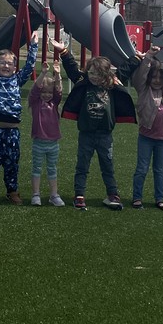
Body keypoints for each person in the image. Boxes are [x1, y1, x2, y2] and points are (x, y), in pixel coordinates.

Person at [56, 40, 136, 211]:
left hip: (105, 135)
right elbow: (72, 68)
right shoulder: (84, 83)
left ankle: (112, 194)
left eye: (98, 74)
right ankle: (79, 195)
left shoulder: (112, 85)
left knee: (107, 166)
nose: (93, 77)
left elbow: (125, 69)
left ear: (106, 75)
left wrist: (138, 58)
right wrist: (63, 51)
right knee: (82, 166)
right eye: (91, 73)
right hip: (86, 134)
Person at [0, 22, 38, 205]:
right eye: (2, 62)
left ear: (14, 68)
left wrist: (34, 46)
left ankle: (12, 191)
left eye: (10, 63)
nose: (6, 65)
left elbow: (29, 66)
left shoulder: (17, 79)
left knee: (11, 161)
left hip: (11, 131)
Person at [131, 44, 163, 210]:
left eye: (160, 77)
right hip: (146, 137)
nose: (157, 81)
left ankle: (159, 199)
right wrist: (148, 57)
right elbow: (140, 76)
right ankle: (137, 198)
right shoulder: (143, 89)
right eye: (154, 77)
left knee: (160, 170)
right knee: (142, 169)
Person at [28, 61, 65, 206]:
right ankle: (35, 194)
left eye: (49, 92)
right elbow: (35, 90)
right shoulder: (36, 103)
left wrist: (58, 74)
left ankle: (54, 195)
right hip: (39, 142)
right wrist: (42, 73)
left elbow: (58, 91)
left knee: (52, 169)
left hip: (53, 143)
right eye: (44, 92)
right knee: (36, 168)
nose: (46, 95)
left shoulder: (54, 103)